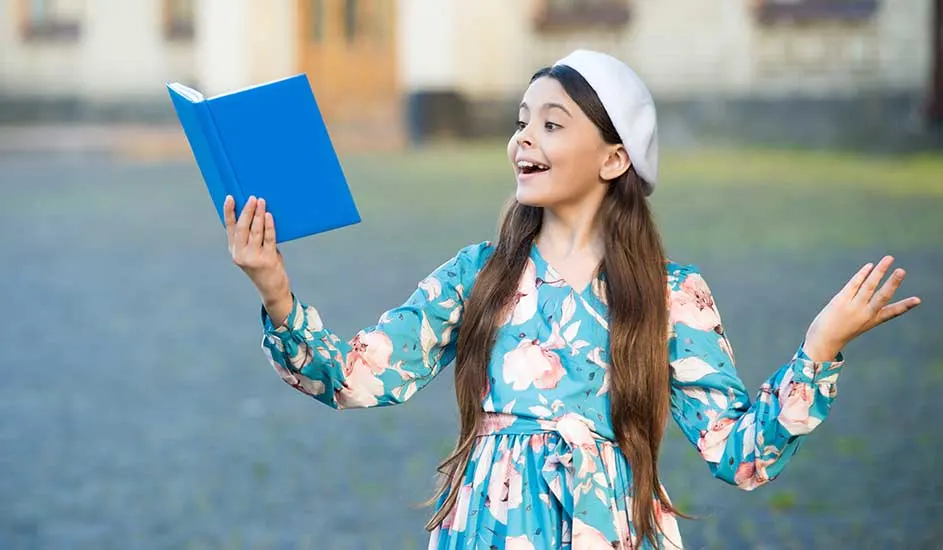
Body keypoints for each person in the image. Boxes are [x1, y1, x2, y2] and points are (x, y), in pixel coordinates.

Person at [222, 50, 921, 549]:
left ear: (614, 159)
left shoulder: (672, 296)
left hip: (611, 530)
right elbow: (353, 378)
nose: (523, 138)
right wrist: (274, 288)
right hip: (488, 530)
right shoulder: (476, 276)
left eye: (551, 124)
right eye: (522, 121)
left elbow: (737, 454)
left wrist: (821, 347)